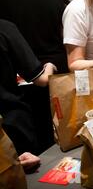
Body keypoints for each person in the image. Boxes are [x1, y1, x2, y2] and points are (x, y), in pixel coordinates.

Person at [0, 19, 56, 155]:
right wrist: (49, 66)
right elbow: (41, 80)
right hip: (11, 121)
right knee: (23, 172)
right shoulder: (4, 29)